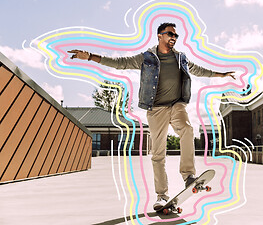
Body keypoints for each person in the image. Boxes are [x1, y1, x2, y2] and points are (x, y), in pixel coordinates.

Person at [68, 22, 235, 211]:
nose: (174, 38)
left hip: (177, 104)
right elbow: (119, 63)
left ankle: (189, 176)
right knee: (158, 153)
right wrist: (90, 57)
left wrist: (220, 74)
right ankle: (162, 196)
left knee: (187, 129)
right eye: (170, 34)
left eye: (176, 36)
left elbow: (198, 70)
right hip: (156, 109)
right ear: (159, 36)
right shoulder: (146, 57)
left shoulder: (181, 58)